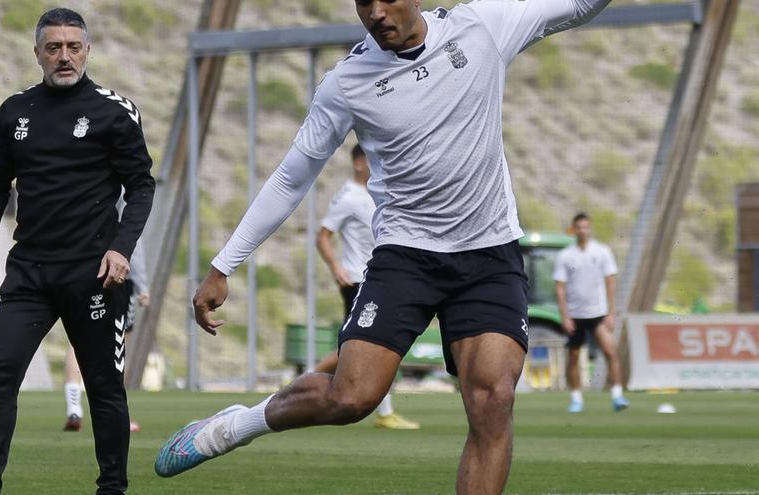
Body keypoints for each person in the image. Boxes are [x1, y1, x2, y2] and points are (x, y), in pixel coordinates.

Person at [156, 1, 610, 493]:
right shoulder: (347, 82)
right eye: (362, 2)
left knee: (493, 400)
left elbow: (581, 5)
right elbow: (292, 176)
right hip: (406, 258)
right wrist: (224, 264)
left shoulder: (481, 27)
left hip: (489, 254)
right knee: (351, 399)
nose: (374, 12)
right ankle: (237, 426)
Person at [0, 8, 154, 495]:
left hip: (94, 273)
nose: (63, 56)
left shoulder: (115, 111)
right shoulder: (15, 111)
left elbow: (141, 187)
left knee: (104, 386)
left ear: (86, 50)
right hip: (29, 272)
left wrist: (121, 249)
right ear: (38, 53)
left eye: (72, 47)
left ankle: (112, 487)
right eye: (53, 47)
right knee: (0, 373)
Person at [314, 143, 418, 430]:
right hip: (358, 279)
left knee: (370, 343)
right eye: (373, 159)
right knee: (363, 344)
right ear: (360, 163)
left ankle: (384, 411)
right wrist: (336, 267)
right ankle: (306, 382)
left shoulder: (378, 192)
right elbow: (323, 236)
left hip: (378, 278)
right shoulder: (348, 197)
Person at [63, 237, 149, 433]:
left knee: (78, 338)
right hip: (117, 276)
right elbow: (132, 239)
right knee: (119, 343)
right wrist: (142, 285)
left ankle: (73, 405)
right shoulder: (126, 204)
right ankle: (116, 414)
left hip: (82, 272)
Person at [553, 213, 629, 413]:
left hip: (597, 314)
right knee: (573, 356)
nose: (583, 230)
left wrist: (611, 312)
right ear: (573, 229)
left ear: (590, 228)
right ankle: (576, 399)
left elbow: (610, 282)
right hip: (575, 314)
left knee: (610, 352)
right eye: (579, 227)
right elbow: (559, 287)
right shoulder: (566, 255)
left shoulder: (602, 251)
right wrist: (565, 315)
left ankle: (617, 396)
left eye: (586, 227)